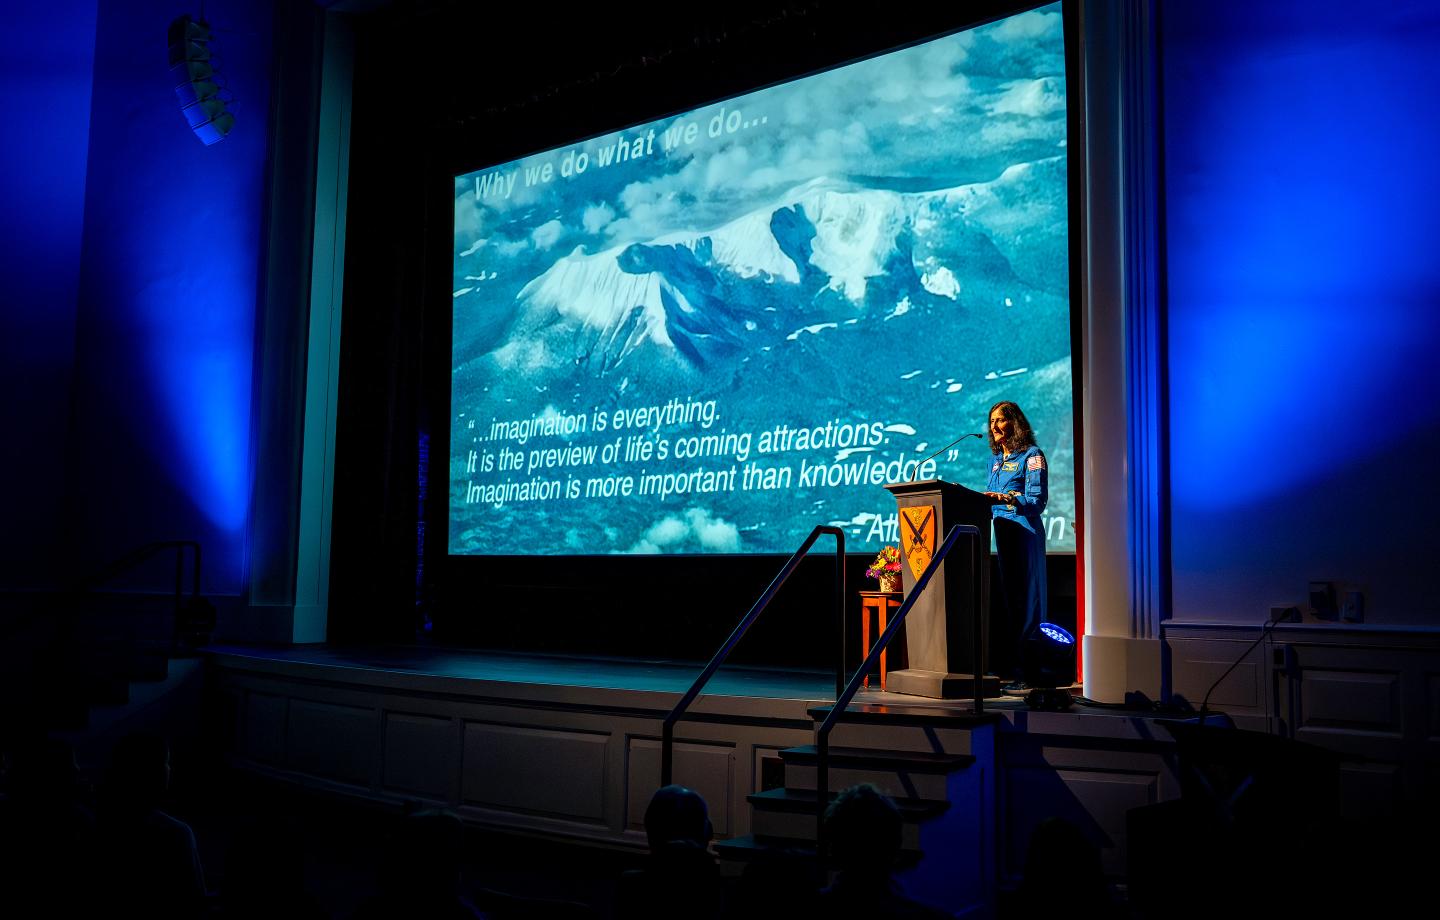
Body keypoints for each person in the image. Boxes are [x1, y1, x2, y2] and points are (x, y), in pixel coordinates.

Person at [982, 400, 1048, 692]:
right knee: (1012, 604)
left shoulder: (1032, 456)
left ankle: (1031, 672)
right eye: (992, 421)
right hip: (1003, 535)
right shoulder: (995, 461)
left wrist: (1009, 498)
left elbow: (1037, 501)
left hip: (1025, 534)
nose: (995, 426)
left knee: (1029, 604)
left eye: (1001, 420)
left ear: (1015, 423)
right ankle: (1016, 669)